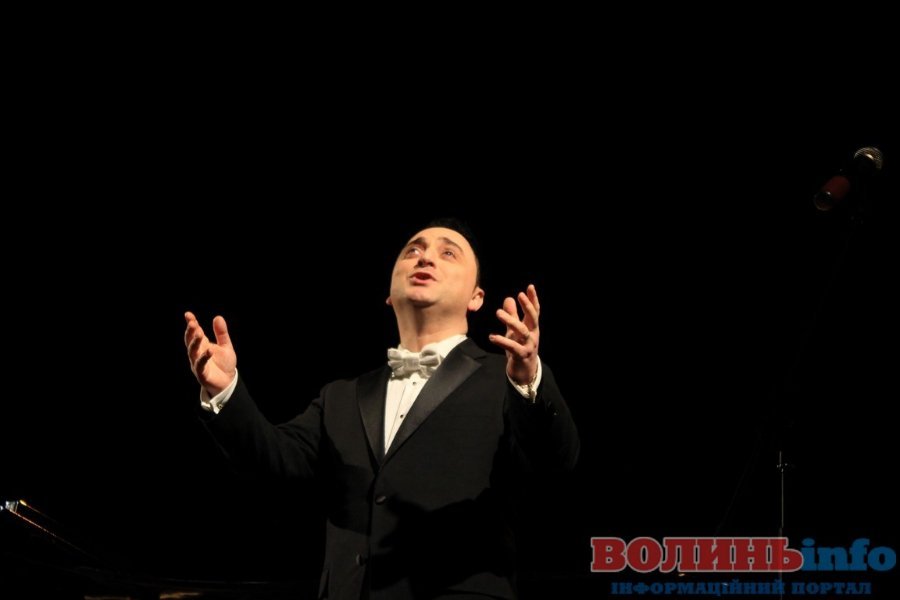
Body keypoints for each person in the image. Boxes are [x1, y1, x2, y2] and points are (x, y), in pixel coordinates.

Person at [183, 218, 579, 600]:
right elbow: (274, 465)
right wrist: (225, 390)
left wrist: (528, 379)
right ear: (390, 292)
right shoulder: (341, 396)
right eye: (413, 251)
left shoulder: (504, 379)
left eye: (448, 253)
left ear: (476, 297)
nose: (425, 258)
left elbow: (555, 461)